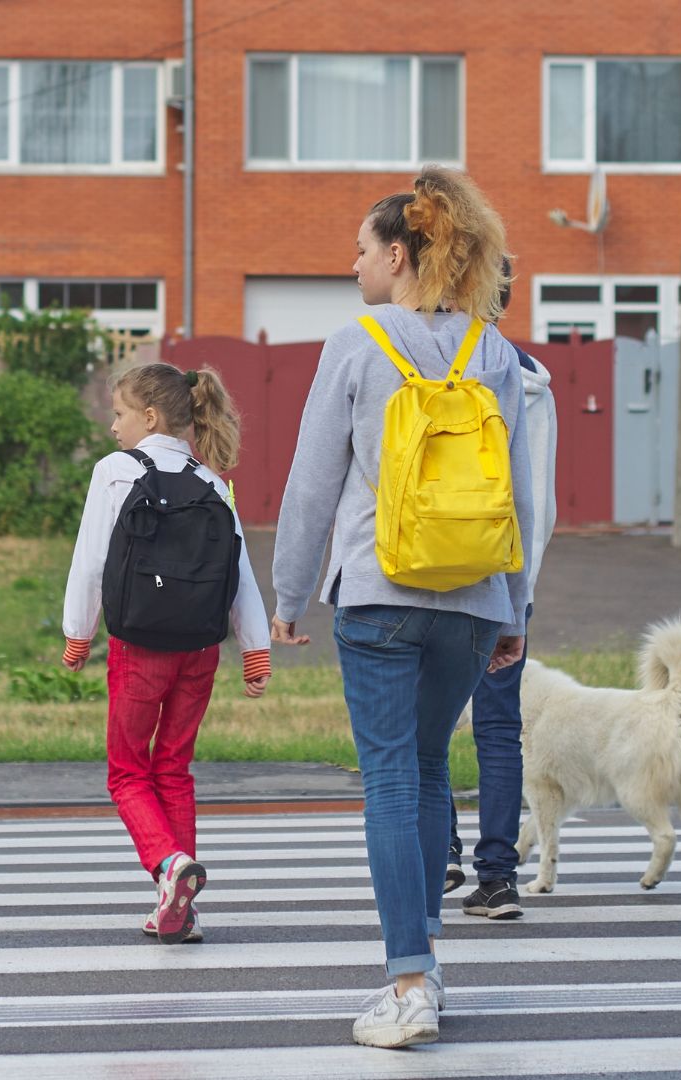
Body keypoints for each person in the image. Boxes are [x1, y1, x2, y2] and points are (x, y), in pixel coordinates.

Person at [271, 166, 533, 1049]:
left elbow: (313, 480)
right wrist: (514, 608)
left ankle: (408, 983)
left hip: (379, 593)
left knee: (388, 778)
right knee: (427, 771)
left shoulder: (357, 343)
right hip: (472, 597)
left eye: (359, 250)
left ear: (397, 252)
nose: (353, 267)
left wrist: (287, 591)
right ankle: (427, 962)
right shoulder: (493, 349)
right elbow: (523, 496)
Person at [62, 362, 271, 945]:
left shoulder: (116, 472)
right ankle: (182, 908)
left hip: (139, 648)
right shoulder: (212, 483)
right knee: (174, 769)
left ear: (149, 417)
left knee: (127, 771)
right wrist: (255, 650)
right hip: (199, 651)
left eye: (120, 414)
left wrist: (78, 633)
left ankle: (168, 866)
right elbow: (241, 575)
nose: (113, 427)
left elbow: (90, 561)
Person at [446, 268, 558, 920]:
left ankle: (441, 856)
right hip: (505, 577)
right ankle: (498, 877)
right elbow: (536, 505)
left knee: (423, 726)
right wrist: (523, 596)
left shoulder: (423, 362)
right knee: (498, 728)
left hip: (428, 573)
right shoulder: (533, 378)